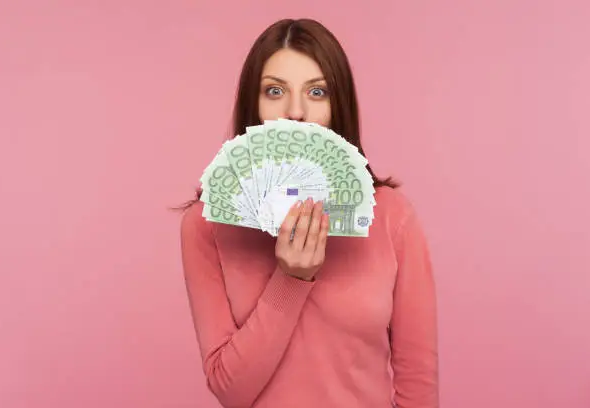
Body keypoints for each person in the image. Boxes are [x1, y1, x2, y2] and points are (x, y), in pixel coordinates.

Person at [179, 18, 439, 408]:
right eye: (274, 90)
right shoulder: (206, 225)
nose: (296, 111)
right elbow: (230, 390)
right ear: (253, 103)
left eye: (317, 91)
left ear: (339, 106)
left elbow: (417, 379)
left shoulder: (391, 216)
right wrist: (292, 279)